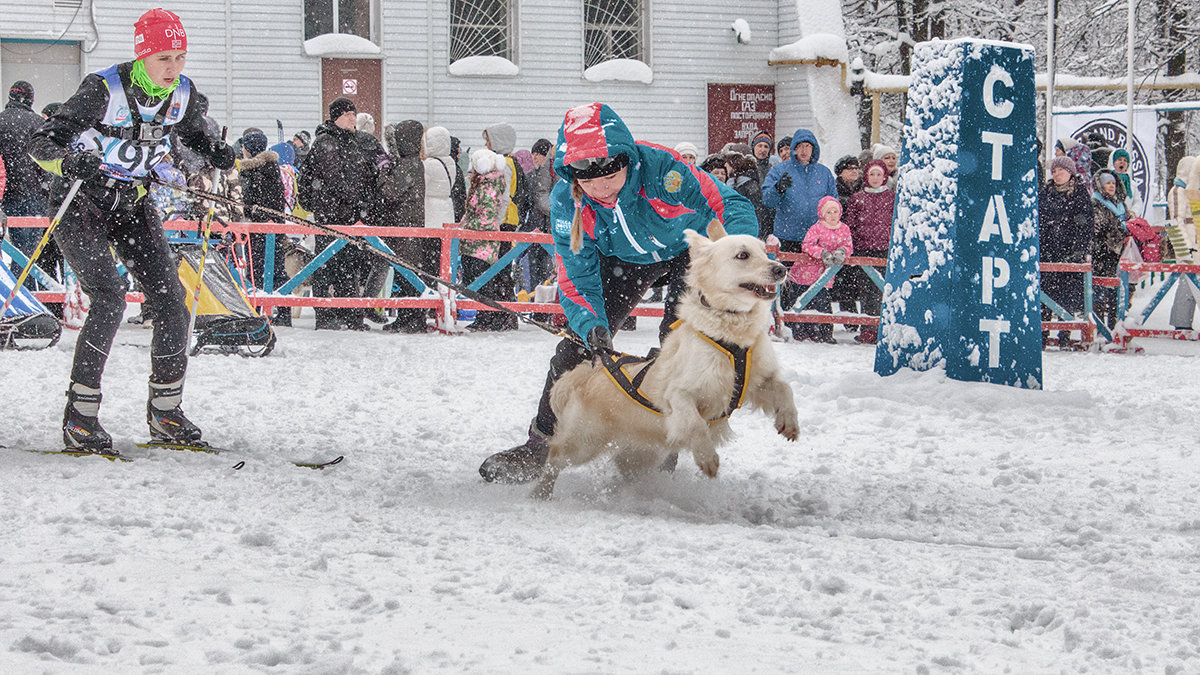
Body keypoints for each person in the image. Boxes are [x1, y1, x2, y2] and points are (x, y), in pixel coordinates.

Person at [478, 102, 758, 483]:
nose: (601, 188)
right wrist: (592, 325)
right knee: (574, 350)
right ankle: (540, 444)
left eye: (610, 174)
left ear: (625, 157)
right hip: (620, 261)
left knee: (678, 345)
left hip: (684, 252)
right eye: (588, 180)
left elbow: (730, 203)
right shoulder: (568, 201)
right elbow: (577, 276)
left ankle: (663, 445)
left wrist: (737, 257)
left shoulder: (664, 169)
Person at [27, 8, 237, 454]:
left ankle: (166, 412)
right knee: (108, 297)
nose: (174, 68)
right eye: (164, 58)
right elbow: (41, 143)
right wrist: (68, 161)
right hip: (79, 201)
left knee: (171, 301)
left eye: (180, 57)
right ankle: (81, 417)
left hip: (132, 203)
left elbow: (194, 135)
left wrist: (217, 151)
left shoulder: (183, 92)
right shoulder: (103, 89)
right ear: (142, 55)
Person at [297, 96, 383, 330]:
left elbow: (381, 164)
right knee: (327, 263)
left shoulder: (363, 141)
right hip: (330, 214)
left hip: (354, 215)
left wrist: (371, 197)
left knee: (351, 264)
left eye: (354, 113)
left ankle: (351, 314)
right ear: (336, 118)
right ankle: (325, 314)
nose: (352, 118)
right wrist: (359, 197)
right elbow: (334, 177)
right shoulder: (326, 142)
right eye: (347, 114)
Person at [368, 119, 427, 333]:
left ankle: (411, 318)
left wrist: (383, 172)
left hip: (406, 225)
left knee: (407, 273)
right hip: (408, 224)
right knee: (407, 272)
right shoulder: (412, 162)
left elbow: (390, 192)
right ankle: (408, 316)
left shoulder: (408, 165)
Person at [470, 122, 523, 331]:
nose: (485, 145)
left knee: (492, 270)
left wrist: (494, 223)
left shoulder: (504, 164)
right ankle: (503, 315)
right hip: (505, 221)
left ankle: (494, 316)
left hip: (501, 223)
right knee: (498, 270)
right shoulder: (511, 162)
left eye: (488, 140)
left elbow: (502, 197)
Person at [1037, 156, 1094, 349]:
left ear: (1070, 173)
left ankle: (1065, 337)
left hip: (1070, 254)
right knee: (1044, 297)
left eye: (1061, 170)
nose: (1057, 174)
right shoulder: (1045, 193)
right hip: (1047, 253)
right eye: (1054, 171)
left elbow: (1085, 225)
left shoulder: (1079, 194)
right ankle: (1042, 336)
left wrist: (1078, 250)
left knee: (1066, 297)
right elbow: (1039, 222)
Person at [781, 195, 853, 343]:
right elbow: (807, 245)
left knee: (822, 303)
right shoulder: (817, 228)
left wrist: (842, 252)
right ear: (822, 214)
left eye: (835, 211)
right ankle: (799, 332)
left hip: (825, 274)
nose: (832, 215)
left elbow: (848, 245)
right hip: (806, 272)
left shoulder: (844, 228)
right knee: (802, 301)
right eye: (828, 212)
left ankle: (823, 334)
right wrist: (822, 253)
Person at [761, 129, 837, 265]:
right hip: (787, 237)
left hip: (817, 239)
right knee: (787, 281)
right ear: (793, 148)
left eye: (808, 146)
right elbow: (767, 200)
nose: (804, 150)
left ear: (814, 149)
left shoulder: (824, 173)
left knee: (816, 282)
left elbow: (833, 204)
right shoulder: (779, 170)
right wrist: (778, 188)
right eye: (799, 146)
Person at [238, 129, 290, 323]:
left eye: (244, 146)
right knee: (276, 269)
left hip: (258, 228)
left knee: (256, 270)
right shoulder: (273, 167)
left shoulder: (252, 170)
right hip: (274, 226)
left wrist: (247, 217)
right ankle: (283, 311)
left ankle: (256, 309)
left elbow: (248, 200)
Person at [1, 80, 52, 266]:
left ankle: (11, 291)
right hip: (32, 194)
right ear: (30, 99)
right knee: (27, 253)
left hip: (4, 194)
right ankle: (26, 291)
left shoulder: (1, 121)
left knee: (10, 250)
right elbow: (47, 162)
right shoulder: (38, 124)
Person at [843, 160, 895, 344]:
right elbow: (851, 223)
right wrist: (856, 242)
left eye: (878, 174)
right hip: (864, 250)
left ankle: (885, 330)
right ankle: (868, 330)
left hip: (884, 250)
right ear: (866, 176)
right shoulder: (858, 197)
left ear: (884, 176)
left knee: (884, 290)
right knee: (866, 291)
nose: (875, 178)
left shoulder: (891, 197)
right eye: (871, 174)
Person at [1091, 169, 1129, 330]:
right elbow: (1098, 227)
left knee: (1116, 292)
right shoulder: (1095, 202)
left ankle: (1114, 328)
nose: (1111, 186)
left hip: (1119, 253)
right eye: (1108, 183)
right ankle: (1100, 330)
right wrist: (1119, 231)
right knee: (1100, 291)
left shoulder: (1120, 204)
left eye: (1113, 183)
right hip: (1102, 252)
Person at [1168, 156, 1198, 331]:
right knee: (1188, 283)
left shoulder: (1192, 191)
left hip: (1194, 246)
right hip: (1186, 247)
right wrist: (1183, 248)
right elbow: (1175, 221)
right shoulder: (1178, 190)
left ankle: (1184, 321)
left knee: (1191, 284)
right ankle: (1181, 322)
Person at [449, 135, 466, 222]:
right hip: (455, 213)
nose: (460, 152)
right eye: (458, 149)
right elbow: (459, 195)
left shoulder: (453, 166)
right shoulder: (455, 168)